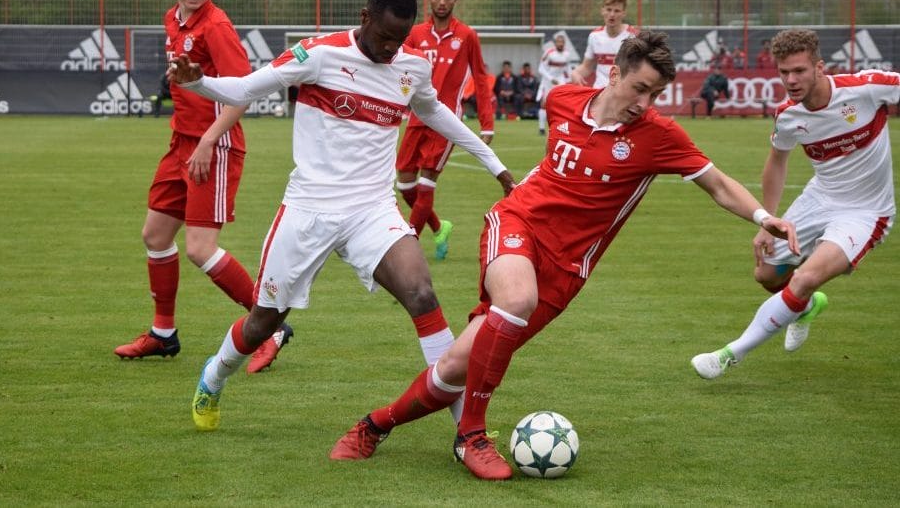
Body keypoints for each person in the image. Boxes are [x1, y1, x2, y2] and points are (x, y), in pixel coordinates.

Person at [329, 30, 798, 480]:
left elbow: (716, 184)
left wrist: (762, 217)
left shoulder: (659, 136)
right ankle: (471, 434)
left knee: (456, 366)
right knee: (515, 302)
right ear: (615, 74)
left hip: (567, 268)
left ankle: (373, 425)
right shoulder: (564, 100)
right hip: (517, 223)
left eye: (654, 94)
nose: (645, 103)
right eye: (640, 88)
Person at [166, 0, 516, 433]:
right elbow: (246, 89)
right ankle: (214, 376)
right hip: (308, 210)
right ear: (365, 17)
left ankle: (468, 430)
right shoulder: (318, 55)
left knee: (423, 294)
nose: (392, 49)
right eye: (385, 37)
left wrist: (497, 167)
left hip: (372, 209)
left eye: (401, 39)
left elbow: (436, 113)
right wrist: (198, 81)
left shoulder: (411, 67)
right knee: (263, 321)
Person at [114, 0, 295, 366]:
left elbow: (242, 94)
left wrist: (209, 140)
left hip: (213, 146)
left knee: (199, 248)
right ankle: (163, 334)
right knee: (156, 237)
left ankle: (273, 325)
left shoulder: (216, 26)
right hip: (181, 143)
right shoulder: (172, 20)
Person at [691, 28, 896, 379]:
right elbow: (777, 162)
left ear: (819, 67)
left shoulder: (866, 87)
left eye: (799, 70)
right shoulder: (788, 115)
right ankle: (804, 308)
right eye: (784, 72)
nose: (791, 79)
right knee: (767, 274)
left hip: (865, 212)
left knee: (803, 278)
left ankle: (728, 355)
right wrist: (767, 221)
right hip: (820, 197)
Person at [397, 0, 496, 261]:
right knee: (405, 183)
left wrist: (487, 124)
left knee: (427, 183)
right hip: (417, 117)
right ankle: (440, 228)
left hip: (446, 120)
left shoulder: (467, 35)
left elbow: (480, 77)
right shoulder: (415, 34)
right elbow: (403, 71)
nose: (442, 2)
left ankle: (409, 245)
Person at [570, 0, 638, 89]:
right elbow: (587, 67)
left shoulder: (632, 36)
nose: (612, 14)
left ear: (623, 13)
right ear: (602, 11)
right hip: (600, 92)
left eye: (617, 11)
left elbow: (639, 69)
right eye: (609, 9)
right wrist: (576, 73)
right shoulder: (595, 36)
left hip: (623, 94)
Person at [535, 31, 570, 136]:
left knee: (563, 104)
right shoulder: (549, 53)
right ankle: (541, 128)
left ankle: (561, 126)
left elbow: (567, 68)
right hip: (548, 81)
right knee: (544, 104)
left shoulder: (567, 54)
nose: (560, 44)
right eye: (558, 42)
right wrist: (551, 79)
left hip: (560, 81)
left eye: (562, 42)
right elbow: (541, 68)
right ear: (555, 43)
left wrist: (569, 80)